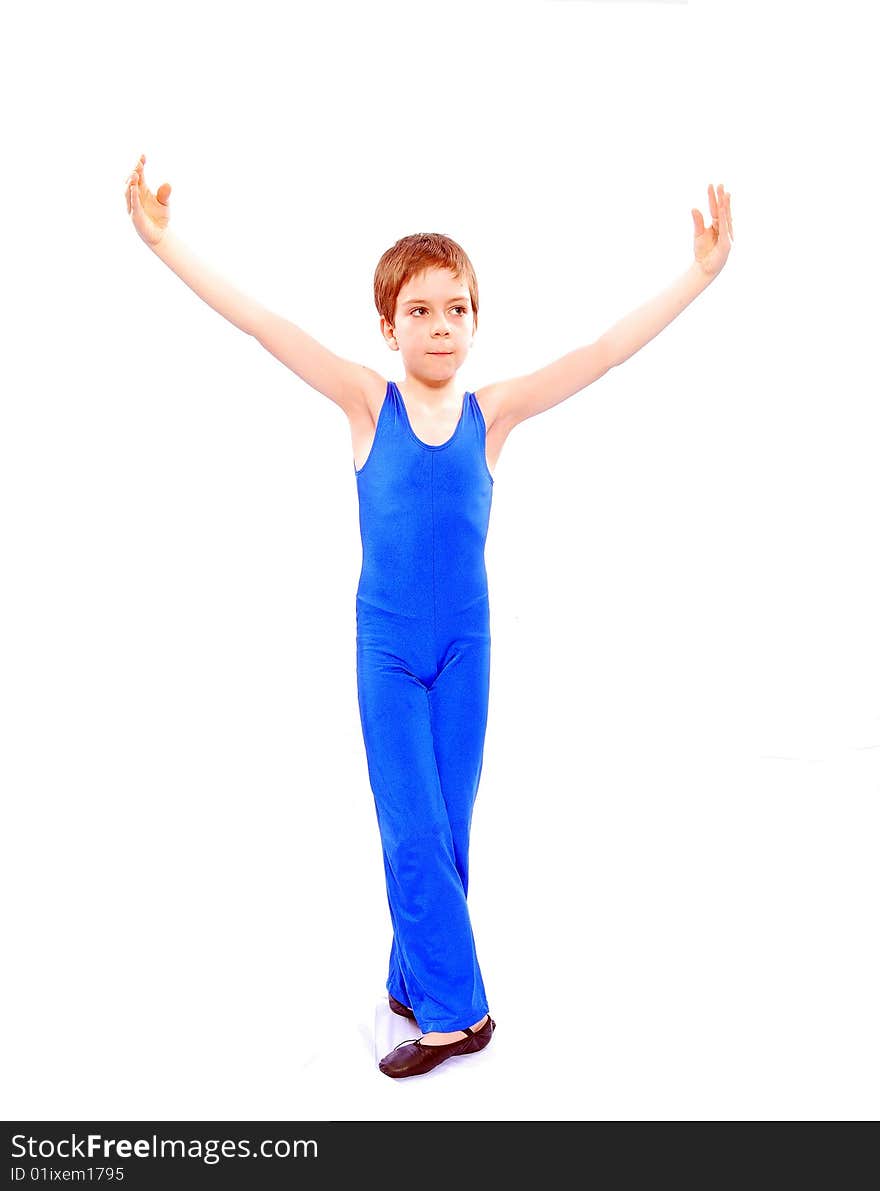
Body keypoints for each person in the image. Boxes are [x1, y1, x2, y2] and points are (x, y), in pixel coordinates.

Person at [124, 155, 734, 1078]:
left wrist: (698, 273)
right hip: (390, 651)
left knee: (447, 829)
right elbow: (262, 325)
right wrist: (168, 245)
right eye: (419, 310)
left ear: (476, 322)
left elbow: (604, 352)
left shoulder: (496, 414)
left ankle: (411, 978)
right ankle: (462, 1015)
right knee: (408, 823)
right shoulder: (369, 402)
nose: (439, 325)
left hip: (468, 649)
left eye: (456, 309)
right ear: (387, 324)